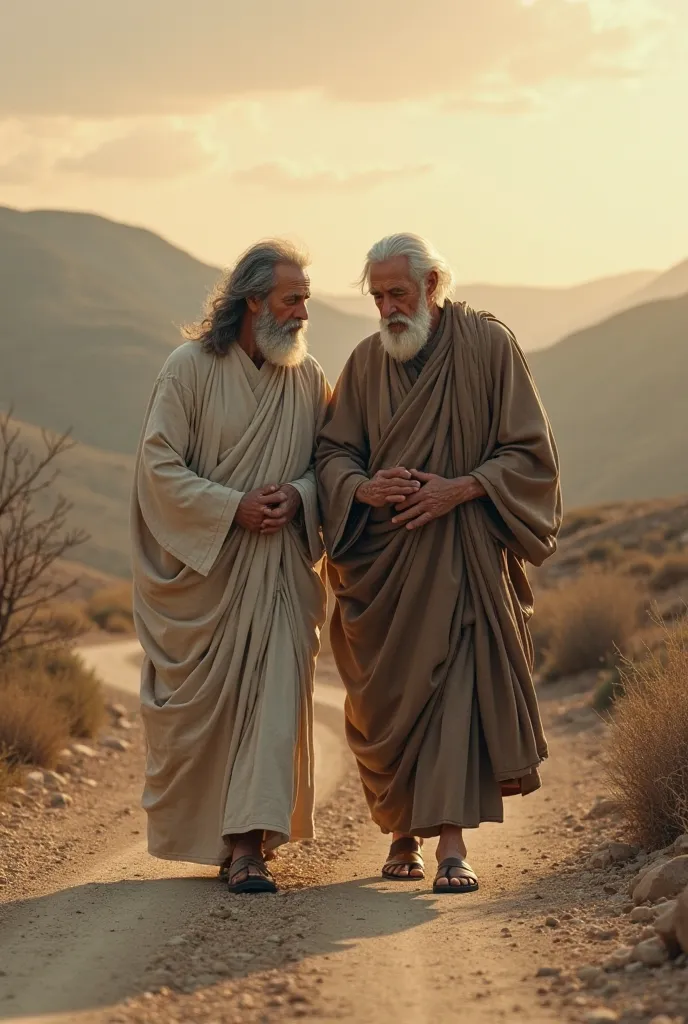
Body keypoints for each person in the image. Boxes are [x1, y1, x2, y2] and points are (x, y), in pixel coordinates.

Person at [316, 233, 561, 894]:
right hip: (384, 569)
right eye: (377, 297)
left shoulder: (489, 347)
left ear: (431, 288)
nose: (388, 308)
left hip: (464, 557)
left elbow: (530, 453)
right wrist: (360, 488)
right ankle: (402, 832)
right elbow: (332, 455)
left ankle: (451, 844)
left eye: (398, 293)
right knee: (389, 702)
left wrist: (466, 486)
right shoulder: (366, 363)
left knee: (455, 690)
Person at [131, 239, 329, 894]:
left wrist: (298, 495)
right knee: (211, 724)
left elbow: (331, 467)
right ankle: (226, 834)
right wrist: (230, 507)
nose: (304, 311)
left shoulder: (308, 378)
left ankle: (249, 846)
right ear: (252, 302)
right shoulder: (187, 369)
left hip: (278, 572)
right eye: (292, 299)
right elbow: (159, 467)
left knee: (273, 703)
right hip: (207, 574)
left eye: (304, 298)